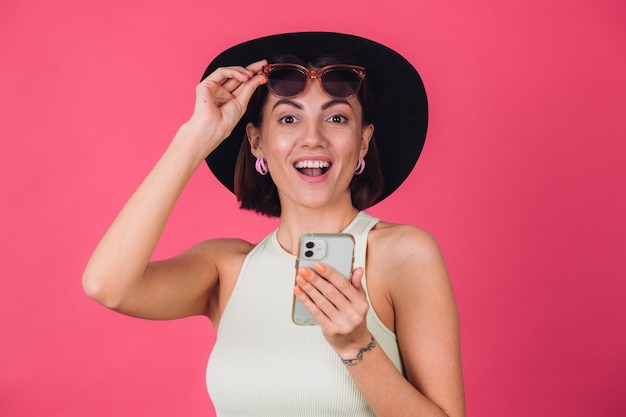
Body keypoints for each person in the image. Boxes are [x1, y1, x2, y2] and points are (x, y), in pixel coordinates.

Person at [83, 32, 465, 417]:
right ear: (256, 142)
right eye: (288, 118)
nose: (312, 138)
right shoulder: (228, 268)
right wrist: (197, 136)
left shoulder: (403, 254)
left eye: (335, 118)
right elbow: (107, 285)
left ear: (363, 141)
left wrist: (356, 347)